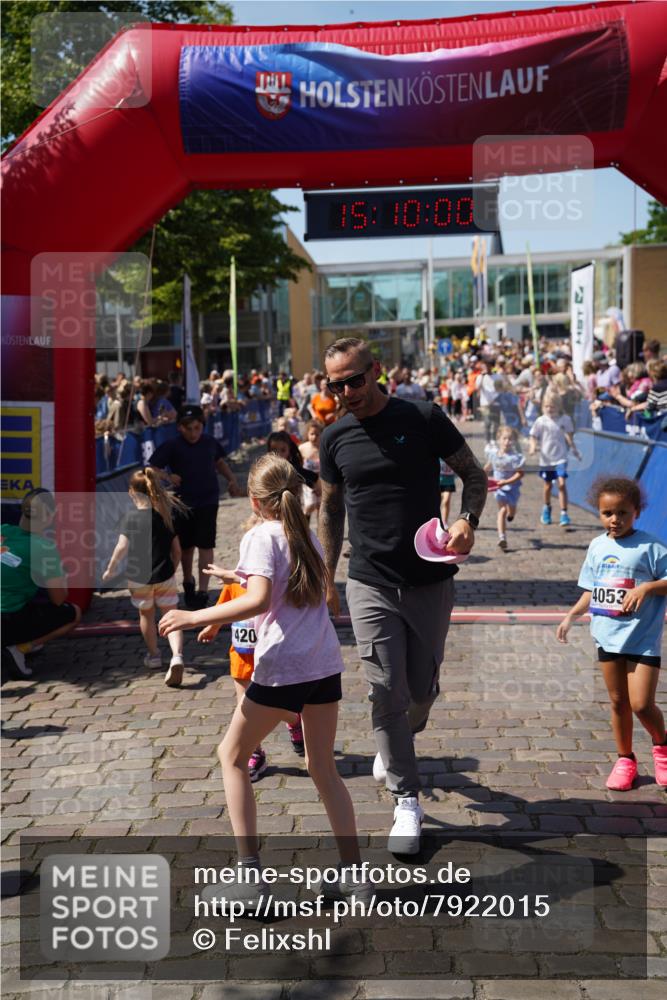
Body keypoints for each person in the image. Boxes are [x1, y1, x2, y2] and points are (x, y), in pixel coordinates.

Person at [159, 454, 367, 902]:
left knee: (232, 757)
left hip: (285, 667)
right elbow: (279, 586)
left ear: (254, 499)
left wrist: (194, 615)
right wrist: (236, 575)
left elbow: (256, 601)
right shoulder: (303, 532)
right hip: (323, 662)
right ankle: (355, 875)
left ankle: (250, 879)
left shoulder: (259, 534)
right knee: (323, 768)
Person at [319, 337, 488, 854]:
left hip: (430, 579)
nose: (347, 391)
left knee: (420, 691)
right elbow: (330, 510)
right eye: (336, 384)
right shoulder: (334, 437)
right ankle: (405, 799)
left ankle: (399, 737)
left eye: (354, 379)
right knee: (384, 688)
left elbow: (474, 476)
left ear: (376, 372)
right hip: (368, 580)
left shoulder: (422, 416)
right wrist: (328, 578)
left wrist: (467, 519)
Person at [557, 477, 667, 790]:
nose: (614, 519)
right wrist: (571, 616)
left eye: (623, 513)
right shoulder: (596, 546)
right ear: (599, 513)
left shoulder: (651, 547)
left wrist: (648, 587)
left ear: (637, 512)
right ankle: (625, 759)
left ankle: (662, 749)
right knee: (618, 702)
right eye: (608, 513)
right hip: (607, 637)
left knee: (641, 704)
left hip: (642, 639)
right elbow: (592, 590)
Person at [150, 405, 242, 609]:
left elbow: (220, 463)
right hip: (183, 503)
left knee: (206, 545)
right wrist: (168, 476)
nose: (193, 433)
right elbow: (152, 469)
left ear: (202, 426)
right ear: (180, 428)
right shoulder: (172, 446)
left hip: (208, 500)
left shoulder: (210, 443)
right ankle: (188, 582)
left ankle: (203, 590)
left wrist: (232, 479)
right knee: (186, 547)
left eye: (197, 428)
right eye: (188, 428)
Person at [102, 468, 187, 685]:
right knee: (172, 615)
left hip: (138, 579)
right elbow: (177, 551)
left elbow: (121, 548)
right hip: (165, 575)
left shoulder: (129, 518)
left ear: (131, 492)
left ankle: (154, 655)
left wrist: (110, 570)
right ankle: (177, 655)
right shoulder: (165, 515)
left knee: (146, 616)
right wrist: (172, 569)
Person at [1, 489, 82, 678]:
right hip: (6, 619)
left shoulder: (2, 529)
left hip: (10, 610)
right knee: (72, 613)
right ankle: (19, 649)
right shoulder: (44, 547)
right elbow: (58, 599)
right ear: (50, 516)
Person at [529, 395, 581, 527]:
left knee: (562, 484)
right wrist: (533, 446)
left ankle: (564, 513)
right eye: (546, 406)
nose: (549, 409)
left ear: (558, 407)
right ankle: (546, 507)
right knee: (548, 486)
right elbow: (533, 436)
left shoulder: (565, 419)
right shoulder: (541, 421)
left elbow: (569, 437)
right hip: (546, 459)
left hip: (560, 457)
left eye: (552, 406)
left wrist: (574, 450)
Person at [484, 427, 525, 550]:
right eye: (505, 438)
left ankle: (512, 514)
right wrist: (480, 476)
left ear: (515, 441)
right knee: (502, 511)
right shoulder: (494, 455)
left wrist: (506, 481)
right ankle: (502, 537)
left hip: (512, 487)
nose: (507, 442)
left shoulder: (515, 457)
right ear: (498, 439)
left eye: (510, 439)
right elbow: (487, 467)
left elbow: (520, 474)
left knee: (511, 510)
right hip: (498, 488)